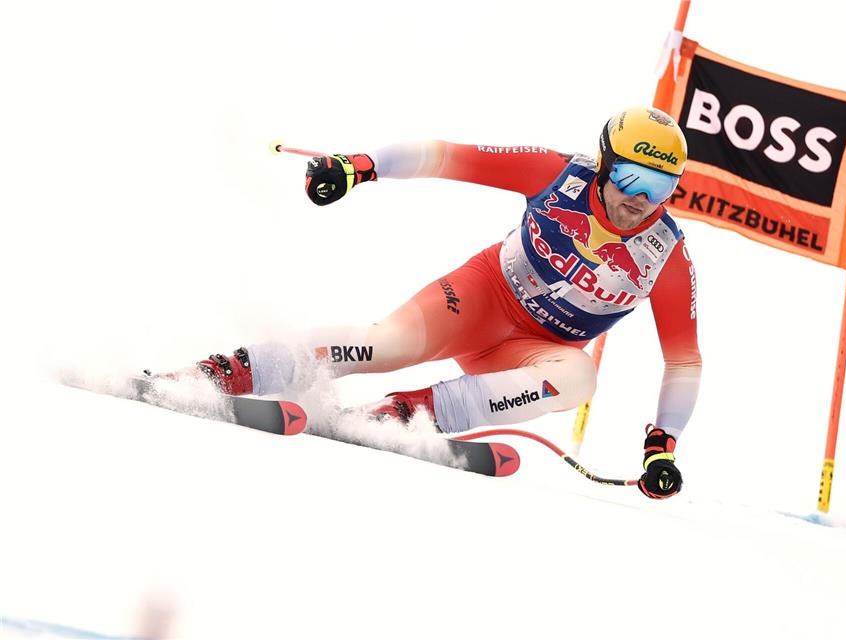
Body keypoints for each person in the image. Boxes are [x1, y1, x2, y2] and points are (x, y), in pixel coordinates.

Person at [186, 106, 701, 499]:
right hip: (483, 299)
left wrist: (663, 443)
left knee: (579, 377)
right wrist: (360, 166)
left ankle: (406, 412)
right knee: (387, 346)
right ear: (606, 164)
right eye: (634, 178)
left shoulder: (665, 252)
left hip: (532, 353)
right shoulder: (557, 174)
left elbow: (683, 358)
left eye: (662, 187)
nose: (642, 200)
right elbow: (448, 156)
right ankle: (230, 370)